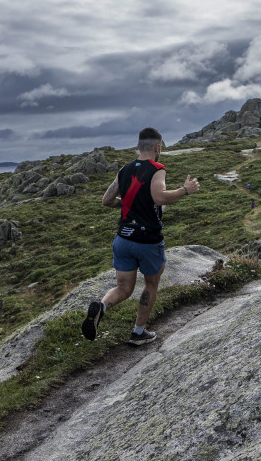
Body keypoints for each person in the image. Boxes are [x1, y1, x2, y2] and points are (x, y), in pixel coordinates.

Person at [81, 127, 200, 345]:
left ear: (138, 146)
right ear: (157, 147)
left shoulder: (124, 170)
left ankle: (102, 306)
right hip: (147, 241)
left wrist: (128, 206)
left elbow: (106, 200)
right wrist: (185, 190)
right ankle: (138, 332)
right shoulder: (157, 169)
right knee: (150, 284)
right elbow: (159, 197)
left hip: (123, 239)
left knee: (123, 288)